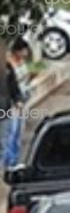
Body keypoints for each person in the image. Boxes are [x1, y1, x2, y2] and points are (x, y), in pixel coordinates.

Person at [4, 39, 31, 168]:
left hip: (22, 99)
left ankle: (15, 160)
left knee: (19, 132)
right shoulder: (8, 65)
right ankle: (9, 161)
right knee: (11, 131)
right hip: (12, 103)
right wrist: (15, 100)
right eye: (23, 50)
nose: (26, 53)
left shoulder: (22, 63)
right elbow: (10, 85)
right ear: (17, 51)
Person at [0, 56, 23, 169]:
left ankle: (4, 168)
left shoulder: (6, 66)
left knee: (4, 141)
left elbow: (13, 84)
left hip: (5, 111)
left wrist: (18, 99)